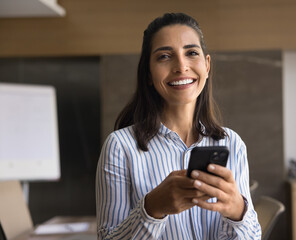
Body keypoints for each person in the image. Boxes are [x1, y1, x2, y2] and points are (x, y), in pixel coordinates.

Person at [96, 13, 261, 239]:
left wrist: (237, 211)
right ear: (148, 74)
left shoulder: (232, 143)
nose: (181, 66)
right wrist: (152, 209)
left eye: (192, 53)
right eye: (164, 56)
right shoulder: (120, 147)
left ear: (207, 65)